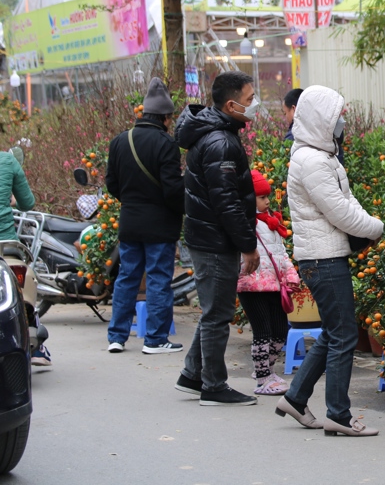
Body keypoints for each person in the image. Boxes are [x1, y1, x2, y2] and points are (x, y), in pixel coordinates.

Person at [275, 85, 383, 436]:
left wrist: (369, 224)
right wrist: (378, 228)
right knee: (343, 335)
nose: (343, 121)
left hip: (325, 256)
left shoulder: (323, 156)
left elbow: (347, 202)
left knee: (335, 332)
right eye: (338, 115)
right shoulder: (312, 161)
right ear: (323, 119)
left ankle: (295, 397)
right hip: (323, 259)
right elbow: (339, 212)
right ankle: (338, 414)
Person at [175, 71, 260, 407]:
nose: (254, 105)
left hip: (206, 235)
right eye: (250, 99)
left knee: (213, 310)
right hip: (214, 240)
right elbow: (227, 201)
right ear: (230, 104)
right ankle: (213, 386)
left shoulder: (214, 134)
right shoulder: (220, 142)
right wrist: (248, 245)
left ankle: (192, 373)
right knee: (217, 314)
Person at [105, 77, 185, 355]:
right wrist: (181, 208)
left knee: (127, 277)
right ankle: (155, 339)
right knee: (158, 279)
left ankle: (116, 337)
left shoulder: (119, 141)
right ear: (165, 118)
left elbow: (112, 185)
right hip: (160, 227)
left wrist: (132, 202)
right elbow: (174, 190)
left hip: (129, 223)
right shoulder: (166, 144)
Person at [238, 170, 299, 395]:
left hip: (274, 284)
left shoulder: (272, 222)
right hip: (251, 285)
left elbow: (280, 252)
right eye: (262, 198)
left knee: (280, 330)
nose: (267, 201)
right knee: (262, 331)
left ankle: (267, 370)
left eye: (267, 197)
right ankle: (262, 378)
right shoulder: (243, 223)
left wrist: (290, 274)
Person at [0, 149, 45, 365]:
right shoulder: (8, 160)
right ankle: (37, 346)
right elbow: (27, 203)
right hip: (6, 245)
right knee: (24, 287)